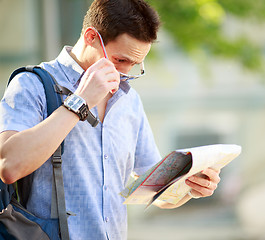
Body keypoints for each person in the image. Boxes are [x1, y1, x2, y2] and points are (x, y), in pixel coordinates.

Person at [0, 0, 221, 239]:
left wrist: (189, 187)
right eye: (120, 60)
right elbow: (9, 166)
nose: (124, 73)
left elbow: (152, 190)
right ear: (91, 36)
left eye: (134, 65)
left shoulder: (129, 100)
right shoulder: (32, 84)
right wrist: (80, 100)